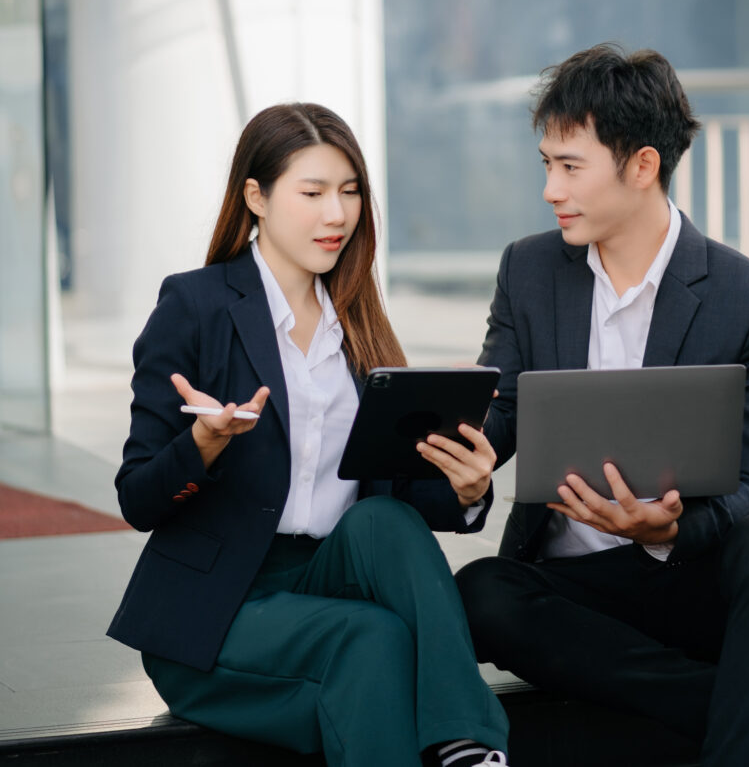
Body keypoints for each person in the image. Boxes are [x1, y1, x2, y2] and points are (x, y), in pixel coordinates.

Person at [455, 45, 749, 767]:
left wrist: (667, 530)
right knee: (480, 592)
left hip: (694, 575)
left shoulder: (748, 298)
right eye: (546, 165)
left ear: (641, 166)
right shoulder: (529, 270)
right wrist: (467, 452)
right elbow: (499, 410)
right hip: (577, 590)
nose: (549, 190)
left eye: (570, 168)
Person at [108, 102, 509, 767]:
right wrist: (202, 446)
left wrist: (467, 492)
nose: (336, 215)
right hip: (220, 607)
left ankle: (466, 741)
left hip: (328, 577)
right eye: (314, 192)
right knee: (370, 641)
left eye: (350, 193)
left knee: (383, 521)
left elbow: (401, 493)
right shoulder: (196, 306)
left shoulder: (357, 324)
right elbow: (137, 498)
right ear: (256, 197)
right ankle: (463, 740)